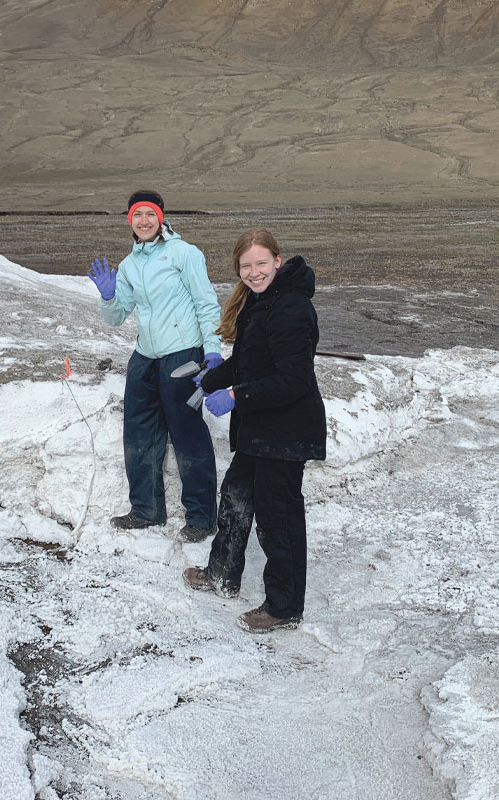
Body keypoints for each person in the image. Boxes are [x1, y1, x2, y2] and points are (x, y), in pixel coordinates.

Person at [182, 229, 326, 633]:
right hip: (259, 427)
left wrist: (236, 396)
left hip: (286, 431)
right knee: (236, 497)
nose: (254, 271)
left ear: (278, 261)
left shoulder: (293, 308)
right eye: (246, 266)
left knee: (278, 518)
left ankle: (284, 607)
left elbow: (293, 380)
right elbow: (248, 363)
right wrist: (214, 378)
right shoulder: (259, 303)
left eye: (261, 263)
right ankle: (222, 573)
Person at [87, 190, 222, 542]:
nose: (144, 221)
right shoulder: (131, 265)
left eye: (150, 214)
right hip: (145, 356)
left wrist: (212, 349)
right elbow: (117, 317)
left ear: (161, 218)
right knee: (139, 432)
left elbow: (206, 303)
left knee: (187, 434)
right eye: (137, 215)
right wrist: (107, 296)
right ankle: (146, 510)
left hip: (182, 354)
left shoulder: (184, 253)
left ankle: (202, 517)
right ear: (129, 221)